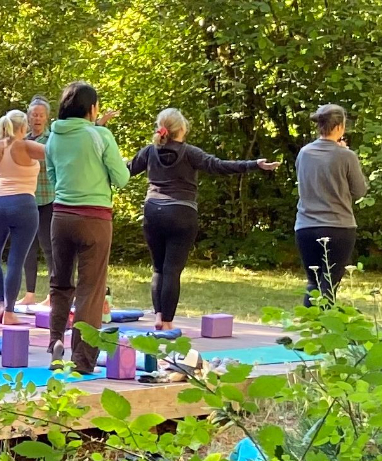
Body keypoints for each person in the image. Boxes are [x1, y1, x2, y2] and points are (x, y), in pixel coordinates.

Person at [127, 109, 276, 326]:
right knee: (172, 270)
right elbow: (219, 165)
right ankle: (167, 322)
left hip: (153, 211)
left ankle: (159, 316)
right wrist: (253, 164)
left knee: (158, 268)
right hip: (181, 213)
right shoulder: (190, 153)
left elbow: (125, 171)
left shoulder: (149, 152)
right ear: (183, 129)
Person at [42, 81, 128, 373]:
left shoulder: (53, 137)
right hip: (95, 219)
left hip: (61, 216)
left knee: (60, 283)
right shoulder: (101, 136)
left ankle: (55, 343)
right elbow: (122, 178)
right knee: (91, 290)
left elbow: (52, 176)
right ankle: (83, 359)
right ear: (93, 108)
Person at [0, 109, 48, 325]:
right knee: (16, 261)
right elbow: (57, 152)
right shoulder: (26, 146)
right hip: (24, 206)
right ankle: (9, 312)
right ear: (23, 127)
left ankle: (0, 303)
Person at [294, 103, 368, 304]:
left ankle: (311, 329)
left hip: (306, 226)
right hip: (338, 227)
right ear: (339, 127)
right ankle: (325, 331)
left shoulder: (304, 153)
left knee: (314, 283)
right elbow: (359, 190)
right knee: (329, 283)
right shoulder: (347, 156)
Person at [22, 96, 55, 299]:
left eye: (41, 115)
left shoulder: (52, 141)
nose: (37, 118)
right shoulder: (23, 140)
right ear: (28, 117)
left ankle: (53, 294)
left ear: (47, 118)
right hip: (27, 201)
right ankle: (29, 293)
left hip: (48, 200)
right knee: (27, 248)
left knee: (50, 248)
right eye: (34, 114)